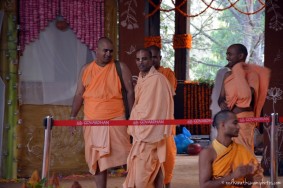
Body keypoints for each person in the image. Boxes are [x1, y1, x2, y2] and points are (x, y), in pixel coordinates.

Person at [70, 37, 134, 188]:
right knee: (97, 160)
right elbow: (79, 94)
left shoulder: (121, 67)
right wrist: (72, 116)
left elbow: (130, 92)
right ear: (96, 51)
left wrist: (132, 118)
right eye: (105, 50)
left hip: (117, 119)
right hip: (92, 120)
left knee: (127, 157)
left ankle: (133, 184)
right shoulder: (86, 70)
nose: (108, 54)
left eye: (111, 51)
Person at [123, 48, 175, 188]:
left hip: (150, 133)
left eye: (144, 59)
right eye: (138, 59)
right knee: (155, 170)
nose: (141, 62)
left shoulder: (159, 80)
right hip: (140, 132)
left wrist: (141, 122)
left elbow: (159, 108)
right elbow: (139, 105)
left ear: (151, 60)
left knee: (141, 179)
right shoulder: (141, 78)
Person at [210, 43, 270, 153]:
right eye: (227, 54)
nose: (227, 57)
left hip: (244, 119)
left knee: (243, 152)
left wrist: (238, 71)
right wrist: (222, 103)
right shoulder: (227, 75)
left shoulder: (252, 74)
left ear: (241, 56)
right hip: (228, 119)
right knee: (227, 151)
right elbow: (221, 97)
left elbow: (246, 95)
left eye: (230, 54)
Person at [199, 110, 266, 188]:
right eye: (235, 123)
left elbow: (248, 184)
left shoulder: (242, 150)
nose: (238, 126)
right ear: (223, 125)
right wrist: (232, 176)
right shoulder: (208, 153)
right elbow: (204, 185)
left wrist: (250, 176)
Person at [147, 45, 177, 188]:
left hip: (165, 123)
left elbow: (167, 93)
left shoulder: (168, 73)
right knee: (151, 159)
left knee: (167, 158)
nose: (152, 60)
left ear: (160, 58)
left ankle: (168, 185)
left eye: (154, 57)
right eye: (149, 57)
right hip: (148, 125)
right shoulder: (143, 75)